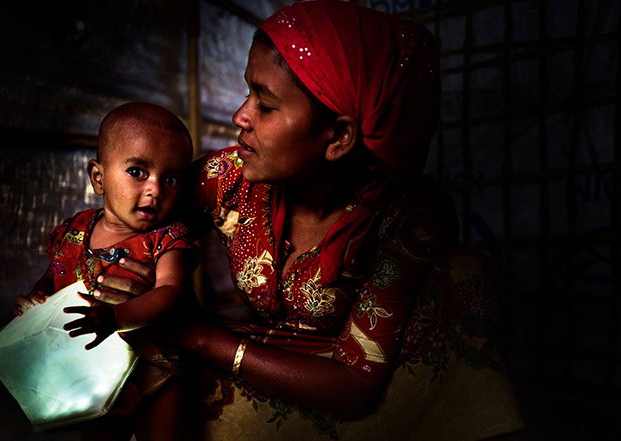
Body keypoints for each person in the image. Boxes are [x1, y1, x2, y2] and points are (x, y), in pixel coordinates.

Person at [92, 1, 526, 440]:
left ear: (337, 137)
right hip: (254, 354)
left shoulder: (406, 219)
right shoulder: (229, 178)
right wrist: (119, 282)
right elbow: (128, 227)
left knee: (468, 274)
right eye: (248, 93)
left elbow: (356, 385)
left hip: (362, 391)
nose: (240, 116)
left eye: (265, 103)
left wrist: (200, 336)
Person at [14, 102, 198, 441]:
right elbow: (54, 274)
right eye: (138, 171)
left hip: (155, 369)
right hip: (95, 372)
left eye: (170, 178)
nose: (155, 189)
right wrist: (38, 299)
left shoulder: (168, 238)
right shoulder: (73, 230)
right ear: (98, 177)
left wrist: (116, 317)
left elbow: (170, 292)